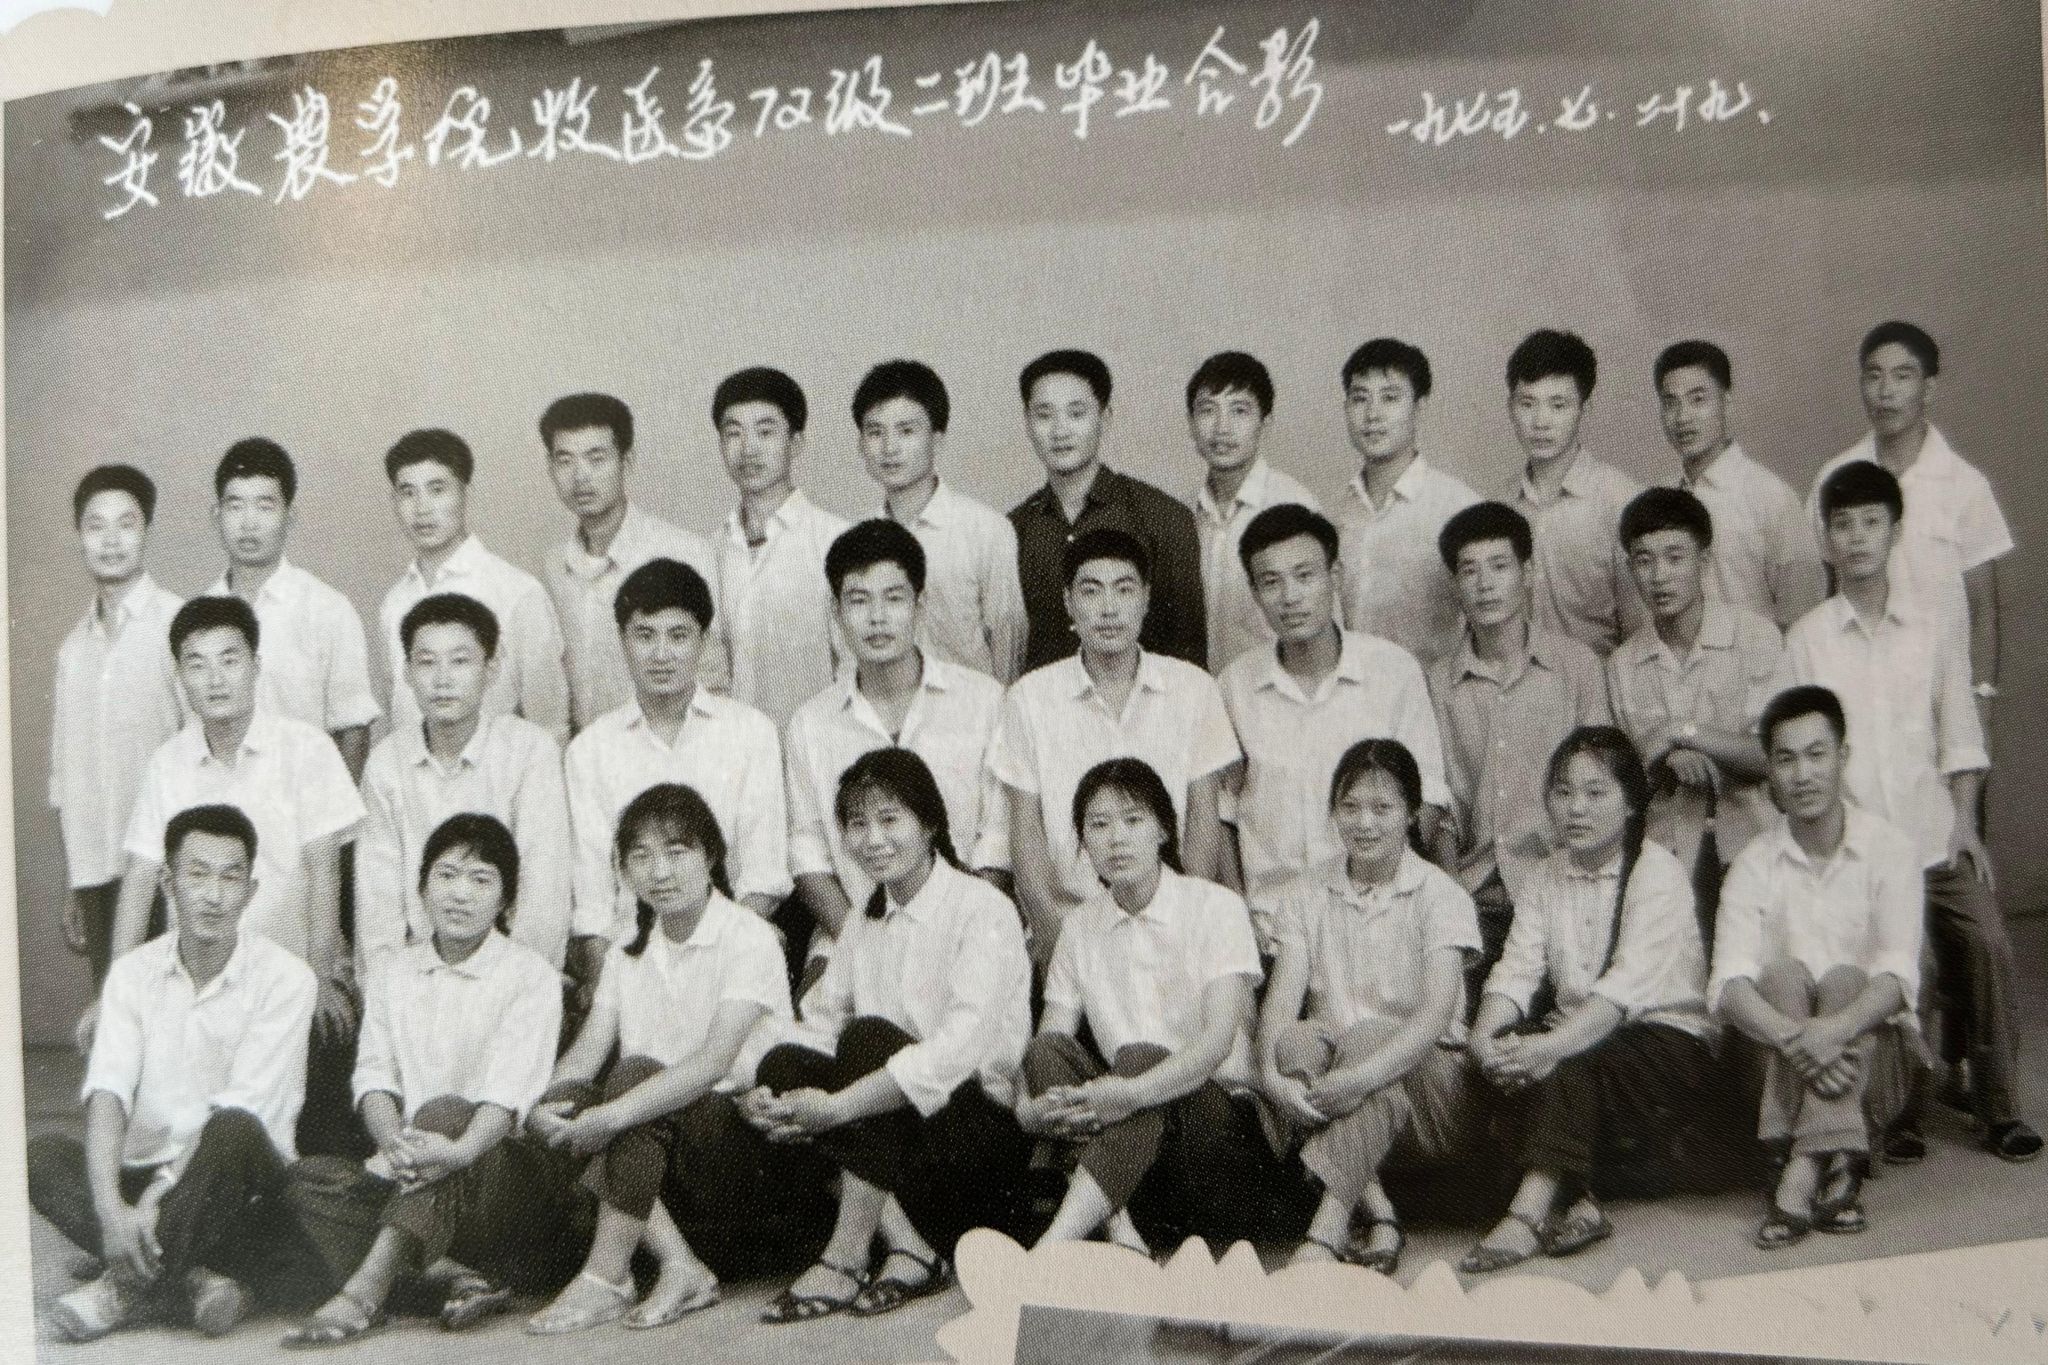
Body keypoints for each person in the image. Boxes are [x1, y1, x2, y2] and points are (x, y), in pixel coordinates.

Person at [1787, 461, 2039, 1162]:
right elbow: (1800, 757)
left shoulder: (1931, 628)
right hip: (1860, 851)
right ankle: (1901, 1113)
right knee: (1907, 960)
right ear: (1826, 539)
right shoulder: (1807, 639)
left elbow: (1961, 736)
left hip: (1933, 839)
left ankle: (1999, 1109)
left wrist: (1965, 824)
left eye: (1872, 522)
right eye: (1842, 524)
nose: (1857, 537)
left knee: (1987, 941)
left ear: (1895, 531)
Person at [522, 784, 829, 1334]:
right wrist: (541, 1105)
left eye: (676, 851)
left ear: (710, 856)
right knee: (571, 1099)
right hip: (658, 1164)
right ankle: (679, 1264)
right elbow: (586, 1054)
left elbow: (713, 1063)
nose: (658, 871)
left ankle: (606, 1275)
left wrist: (612, 1115)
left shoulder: (749, 936)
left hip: (744, 1153)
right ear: (623, 871)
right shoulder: (628, 950)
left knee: (635, 1076)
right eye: (640, 856)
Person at [745, 749, 1032, 1322]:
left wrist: (838, 1107)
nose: (872, 839)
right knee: (783, 1064)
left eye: (889, 819)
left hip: (973, 1139)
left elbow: (957, 1052)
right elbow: (821, 1023)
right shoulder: (863, 918)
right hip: (893, 1147)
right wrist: (759, 1091)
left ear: (929, 824)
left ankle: (846, 1255)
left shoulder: (983, 909)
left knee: (870, 1039)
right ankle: (909, 1247)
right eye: (857, 823)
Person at [281, 815, 582, 1347]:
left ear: (506, 902)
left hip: (497, 1174)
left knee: (444, 1112)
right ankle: (450, 1274)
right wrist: (393, 1144)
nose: (459, 894)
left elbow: (506, 1098)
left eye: (481, 880)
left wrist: (456, 1151)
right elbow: (375, 1077)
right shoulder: (394, 972)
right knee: (303, 1181)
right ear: (421, 889)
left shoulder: (530, 977)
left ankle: (368, 1291)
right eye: (446, 876)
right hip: (416, 1172)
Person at [29, 804, 321, 1342]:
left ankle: (123, 1287)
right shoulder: (131, 974)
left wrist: (153, 1202)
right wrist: (111, 1209)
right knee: (41, 1157)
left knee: (232, 1127)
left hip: (241, 1185)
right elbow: (109, 1092)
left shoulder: (288, 979)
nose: (213, 895)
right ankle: (194, 1279)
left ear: (251, 892)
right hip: (147, 1170)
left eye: (231, 878)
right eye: (197, 874)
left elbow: (244, 1108)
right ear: (168, 883)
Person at [1461, 727, 1716, 1274]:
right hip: (1583, 1033)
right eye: (1563, 791)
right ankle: (1580, 1200)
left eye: (1595, 793)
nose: (1575, 808)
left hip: (1664, 1046)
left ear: (1630, 804)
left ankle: (1528, 1213)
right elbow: (1516, 971)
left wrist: (1544, 1049)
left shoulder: (1657, 872)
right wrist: (1484, 1040)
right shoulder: (1546, 873)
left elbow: (1620, 995)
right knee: (1503, 1053)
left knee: (1564, 1057)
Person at [101, 598, 364, 1117]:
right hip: (201, 985)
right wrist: (115, 991)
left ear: (256, 666)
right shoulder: (168, 763)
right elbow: (140, 878)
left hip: (289, 979)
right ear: (180, 676)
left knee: (296, 1125)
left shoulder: (306, 748)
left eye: (229, 659)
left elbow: (324, 870)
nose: (215, 679)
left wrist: (319, 976)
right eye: (196, 664)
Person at [1021, 758, 1293, 1255]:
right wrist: (1029, 1112)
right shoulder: (1079, 928)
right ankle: (1121, 1232)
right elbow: (1049, 1045)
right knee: (1047, 1051)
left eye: (1133, 820)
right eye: (1099, 825)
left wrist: (1129, 1093)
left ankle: (1053, 1247)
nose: (1116, 839)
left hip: (1221, 1139)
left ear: (1164, 829)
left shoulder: (1215, 907)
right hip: (1136, 1155)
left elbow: (1216, 1045)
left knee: (1141, 1055)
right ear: (1083, 842)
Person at [1709, 686, 1925, 1248]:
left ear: (1843, 757)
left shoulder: (1891, 850)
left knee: (1849, 982)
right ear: (1769, 772)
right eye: (1785, 759)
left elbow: (1897, 979)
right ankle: (1836, 1162)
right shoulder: (1752, 864)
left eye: (1816, 755)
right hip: (1780, 1063)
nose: (1802, 775)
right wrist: (1799, 1038)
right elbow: (1727, 987)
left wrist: (1832, 1030)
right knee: (1780, 976)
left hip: (1874, 1068)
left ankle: (1799, 1166)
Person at [1257, 741, 1479, 1273]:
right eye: (1350, 807)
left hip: (1430, 1089)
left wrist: (1358, 1078)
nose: (1364, 823)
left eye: (1382, 808)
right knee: (1293, 1043)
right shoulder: (1305, 893)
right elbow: (1280, 1007)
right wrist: (1270, 1074)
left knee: (1366, 1037)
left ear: (1412, 814)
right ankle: (1379, 1213)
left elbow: (1432, 1022)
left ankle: (1326, 1230)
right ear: (1333, 812)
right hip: (1346, 1094)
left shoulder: (1442, 896)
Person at [991, 527, 1241, 969]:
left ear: (1145, 598)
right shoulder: (1029, 698)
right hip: (1070, 926)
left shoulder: (1194, 689)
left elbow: (1204, 823)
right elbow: (1025, 836)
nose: (1108, 609)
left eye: (1124, 589)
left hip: (1175, 929)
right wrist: (1060, 944)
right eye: (1091, 591)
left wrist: (1181, 925)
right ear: (1069, 602)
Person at [786, 520, 1010, 979]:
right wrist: (865, 943)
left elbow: (998, 842)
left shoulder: (984, 702)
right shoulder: (811, 723)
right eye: (858, 600)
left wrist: (948, 935)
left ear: (919, 605)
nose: (877, 618)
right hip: (852, 934)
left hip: (970, 933)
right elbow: (809, 856)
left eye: (893, 598)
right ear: (836, 611)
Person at [564, 558, 788, 1013]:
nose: (661, 654)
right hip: (631, 961)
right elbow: (593, 901)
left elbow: (763, 877)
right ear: (623, 641)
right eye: (645, 636)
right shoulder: (590, 750)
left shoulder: (750, 732)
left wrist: (713, 959)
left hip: (730, 955)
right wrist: (611, 995)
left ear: (703, 640)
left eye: (678, 635)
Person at [1221, 504, 1448, 945]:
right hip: (1272, 928)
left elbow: (1430, 799)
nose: (1290, 597)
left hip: (1379, 925)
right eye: (1271, 581)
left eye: (1305, 575)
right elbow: (1224, 813)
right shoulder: (1235, 685)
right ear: (1255, 592)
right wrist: (1237, 916)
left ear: (1335, 576)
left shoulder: (1393, 671)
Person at [1428, 502, 1609, 982]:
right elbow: (1441, 804)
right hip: (1476, 897)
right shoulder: (1438, 683)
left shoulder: (1577, 667)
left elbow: (1604, 789)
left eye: (1499, 566)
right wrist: (1450, 899)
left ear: (1527, 574)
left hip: (1566, 892)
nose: (1485, 584)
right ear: (1454, 584)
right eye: (1470, 571)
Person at [1807, 322, 2011, 743]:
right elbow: (1824, 593)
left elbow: (1984, 612)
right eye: (1874, 376)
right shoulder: (1833, 477)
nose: (1886, 391)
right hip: (1858, 694)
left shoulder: (1965, 485)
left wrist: (1982, 705)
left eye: (1903, 376)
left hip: (1942, 701)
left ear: (1928, 387)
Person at [356, 593, 572, 982]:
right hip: (416, 978)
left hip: (511, 975)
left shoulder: (529, 751)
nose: (442, 680)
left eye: (460, 661)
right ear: (406, 672)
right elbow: (377, 906)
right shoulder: (386, 763)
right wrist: (389, 992)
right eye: (426, 662)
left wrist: (518, 984)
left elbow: (544, 893)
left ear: (491, 668)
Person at [1607, 487, 1787, 921]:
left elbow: (1772, 755)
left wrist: (1680, 732)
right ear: (1630, 569)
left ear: (1704, 561)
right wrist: (1667, 757)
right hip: (1667, 862)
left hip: (1756, 850)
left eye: (1675, 557)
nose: (1659, 576)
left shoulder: (1757, 638)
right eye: (1644, 561)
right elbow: (1622, 779)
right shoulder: (1622, 664)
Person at [51, 464, 184, 986]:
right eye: (95, 525)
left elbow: (202, 747)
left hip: (167, 866)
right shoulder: (72, 650)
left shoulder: (177, 624)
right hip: (96, 871)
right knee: (116, 1012)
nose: (110, 541)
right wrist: (74, 879)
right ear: (79, 536)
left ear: (146, 531)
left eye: (125, 524)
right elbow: (66, 776)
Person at [538, 392, 726, 734]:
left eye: (596, 458)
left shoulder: (683, 552)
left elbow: (713, 680)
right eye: (565, 460)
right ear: (550, 468)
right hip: (588, 753)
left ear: (626, 462)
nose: (580, 476)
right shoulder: (554, 567)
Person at [1010, 348, 1206, 672]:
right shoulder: (1013, 531)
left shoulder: (1163, 518)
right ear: (1028, 423)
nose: (1060, 431)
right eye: (1044, 415)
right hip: (1044, 702)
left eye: (1076, 413)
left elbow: (1189, 659)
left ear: (1105, 417)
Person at [377, 428, 569, 746]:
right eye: (407, 492)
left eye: (437, 489)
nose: (422, 508)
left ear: (466, 492)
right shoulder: (395, 602)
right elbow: (397, 720)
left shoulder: (517, 593)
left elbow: (550, 727)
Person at [203, 438, 380, 780]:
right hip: (217, 800)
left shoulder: (327, 609)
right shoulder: (200, 614)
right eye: (236, 506)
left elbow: (353, 730)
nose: (249, 523)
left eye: (265, 506)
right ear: (217, 515)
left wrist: (335, 811)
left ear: (290, 516)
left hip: (303, 799)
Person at [855, 359, 1028, 683]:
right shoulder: (854, 540)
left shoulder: (986, 531)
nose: (890, 447)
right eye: (875, 432)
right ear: (861, 445)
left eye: (906, 431)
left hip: (972, 711)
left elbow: (1008, 651)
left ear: (937, 439)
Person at [712, 366, 850, 729]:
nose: (748, 449)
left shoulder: (836, 541)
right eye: (733, 433)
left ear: (796, 442)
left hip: (819, 742)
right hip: (737, 749)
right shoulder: (712, 550)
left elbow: (856, 666)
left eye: (765, 431)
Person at [1652, 341, 1823, 630]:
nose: (1683, 417)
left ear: (1727, 401)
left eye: (1697, 399)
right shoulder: (1659, 500)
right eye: (1671, 403)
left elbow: (1804, 617)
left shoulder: (1770, 497)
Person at [1331, 337, 1480, 667]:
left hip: (1432, 692)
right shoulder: (1339, 512)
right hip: (1354, 690)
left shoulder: (1458, 508)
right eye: (1360, 399)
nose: (1372, 415)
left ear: (1419, 407)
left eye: (1390, 398)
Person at [1505, 328, 1647, 658]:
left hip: (1602, 684)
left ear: (1585, 407)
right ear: (1510, 406)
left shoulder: (1622, 502)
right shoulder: (1500, 507)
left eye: (1558, 405)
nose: (1540, 422)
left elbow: (1643, 634)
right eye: (1527, 404)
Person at [1182, 350, 1320, 672]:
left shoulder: (1293, 507)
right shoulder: (1183, 514)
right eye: (1208, 410)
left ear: (1265, 423)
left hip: (1273, 690)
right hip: (1202, 694)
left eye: (1239, 410)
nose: (1222, 428)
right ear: (1190, 424)